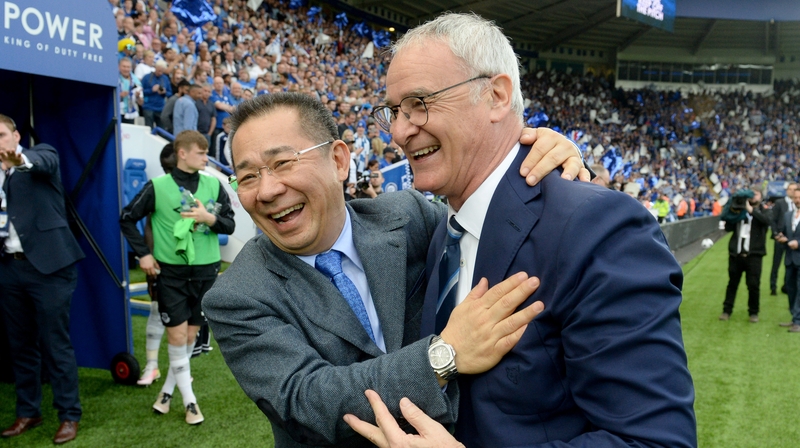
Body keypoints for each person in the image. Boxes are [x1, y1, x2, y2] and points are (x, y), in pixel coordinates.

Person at [346, 13, 695, 447]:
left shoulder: (599, 227)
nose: (399, 131)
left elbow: (656, 441)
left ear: (496, 96)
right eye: (394, 111)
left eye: (420, 102)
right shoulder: (444, 231)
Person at [202, 93, 587, 448]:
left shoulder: (410, 218)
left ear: (338, 160)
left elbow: (503, 228)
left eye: (282, 163)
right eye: (248, 176)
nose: (266, 190)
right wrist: (445, 353)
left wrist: (535, 159)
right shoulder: (236, 295)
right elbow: (309, 401)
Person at [119, 130, 235, 424]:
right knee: (177, 335)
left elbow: (230, 225)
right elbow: (127, 218)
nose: (206, 158)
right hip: (170, 273)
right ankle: (191, 402)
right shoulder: (157, 186)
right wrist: (144, 254)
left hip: (207, 272)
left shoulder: (214, 184)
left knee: (190, 338)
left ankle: (167, 393)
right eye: (200, 153)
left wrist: (209, 219)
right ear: (182, 153)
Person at [0, 115, 84, 444]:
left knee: (55, 344)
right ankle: (28, 411)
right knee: (20, 346)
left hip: (50, 268)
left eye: (2, 135)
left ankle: (69, 415)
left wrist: (18, 159)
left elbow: (40, 162)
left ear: (16, 135)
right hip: (9, 268)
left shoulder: (38, 154)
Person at [719, 187, 771, 323]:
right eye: (751, 194)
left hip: (754, 255)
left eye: (756, 194)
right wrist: (733, 211)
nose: (753, 197)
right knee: (732, 283)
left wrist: (750, 210)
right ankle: (726, 310)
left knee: (753, 285)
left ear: (761, 197)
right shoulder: (739, 210)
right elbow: (727, 227)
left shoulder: (764, 210)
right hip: (736, 254)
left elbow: (766, 221)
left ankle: (753, 312)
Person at [775, 186, 800, 332]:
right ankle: (794, 317)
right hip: (790, 259)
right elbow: (783, 232)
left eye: (799, 198)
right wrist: (781, 238)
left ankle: (798, 320)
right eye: (795, 198)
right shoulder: (788, 215)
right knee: (790, 289)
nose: (797, 200)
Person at [770, 183, 797, 295]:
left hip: (792, 239)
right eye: (790, 189)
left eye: (794, 189)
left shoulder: (797, 204)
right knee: (776, 263)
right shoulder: (780, 203)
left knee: (790, 263)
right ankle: (773, 286)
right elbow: (773, 219)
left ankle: (787, 285)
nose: (791, 191)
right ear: (786, 191)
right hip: (780, 238)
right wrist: (776, 233)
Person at [141, 60, 172, 128]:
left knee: (162, 130)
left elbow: (170, 93)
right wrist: (151, 90)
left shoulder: (165, 78)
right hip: (148, 107)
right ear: (155, 68)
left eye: (162, 71)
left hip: (160, 108)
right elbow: (141, 91)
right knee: (149, 129)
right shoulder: (146, 77)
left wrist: (164, 92)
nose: (160, 73)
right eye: (159, 70)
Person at [119, 57, 143, 124]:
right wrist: (120, 95)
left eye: (128, 67)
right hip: (117, 111)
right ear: (119, 67)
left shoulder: (136, 81)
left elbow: (141, 103)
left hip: (130, 114)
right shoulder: (114, 78)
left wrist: (138, 96)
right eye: (124, 66)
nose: (126, 69)